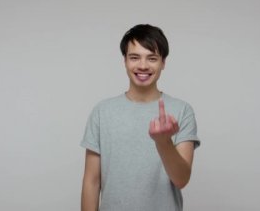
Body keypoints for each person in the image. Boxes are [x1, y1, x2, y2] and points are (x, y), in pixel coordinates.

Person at [81, 24, 200, 211]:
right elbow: (91, 182)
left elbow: (181, 179)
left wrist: (163, 142)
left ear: (163, 63)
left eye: (152, 58)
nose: (143, 66)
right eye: (134, 57)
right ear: (125, 61)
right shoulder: (102, 112)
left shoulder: (182, 110)